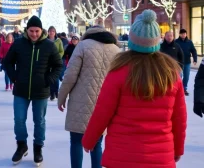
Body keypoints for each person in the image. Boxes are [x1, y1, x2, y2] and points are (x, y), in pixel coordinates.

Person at [82, 10, 187, 168]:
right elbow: (179, 119)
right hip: (159, 157)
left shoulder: (118, 71)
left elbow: (102, 112)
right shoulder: (171, 75)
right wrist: (178, 149)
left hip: (122, 155)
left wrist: (89, 140)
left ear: (131, 41)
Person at [4, 16, 62, 166]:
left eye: (37, 31)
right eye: (31, 31)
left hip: (41, 91)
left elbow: (58, 65)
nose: (34, 34)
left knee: (39, 121)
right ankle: (21, 145)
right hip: (21, 90)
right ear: (27, 30)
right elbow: (7, 62)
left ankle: (38, 148)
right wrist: (14, 77)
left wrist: (48, 79)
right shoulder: (18, 44)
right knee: (19, 120)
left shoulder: (49, 46)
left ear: (41, 30)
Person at [58, 26, 119, 168]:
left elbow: (70, 75)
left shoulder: (83, 46)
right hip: (104, 103)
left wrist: (62, 97)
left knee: (76, 142)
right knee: (97, 144)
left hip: (80, 102)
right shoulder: (116, 50)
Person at [175, 28, 197, 96]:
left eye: (184, 34)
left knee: (186, 76)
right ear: (180, 34)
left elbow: (193, 50)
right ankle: (178, 89)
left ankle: (184, 88)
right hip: (178, 62)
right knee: (179, 76)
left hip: (187, 62)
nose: (183, 35)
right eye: (182, 34)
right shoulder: (176, 42)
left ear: (186, 34)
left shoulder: (189, 42)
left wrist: (195, 59)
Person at [47, 26, 64, 101]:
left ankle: (56, 91)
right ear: (48, 32)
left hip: (56, 62)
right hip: (47, 62)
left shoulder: (58, 41)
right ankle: (51, 93)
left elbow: (61, 51)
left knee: (56, 78)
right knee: (49, 77)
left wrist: (58, 57)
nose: (51, 33)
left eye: (53, 31)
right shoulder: (45, 40)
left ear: (55, 33)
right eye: (50, 31)